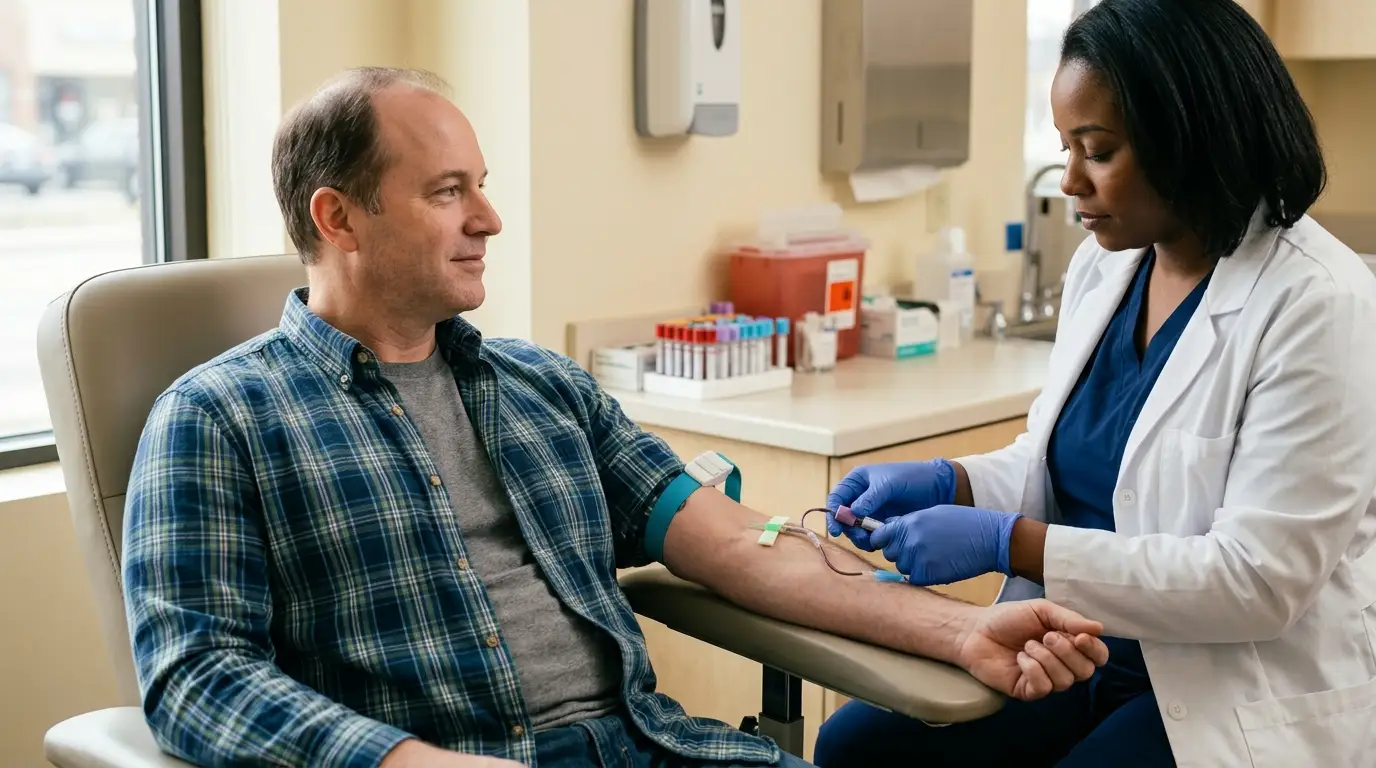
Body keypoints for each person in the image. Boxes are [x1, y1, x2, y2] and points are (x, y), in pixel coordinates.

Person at [122, 67, 1111, 768]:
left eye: (483, 187)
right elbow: (193, 678)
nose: (489, 220)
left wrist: (956, 631)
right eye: (446, 192)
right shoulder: (220, 420)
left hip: (649, 744)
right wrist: (409, 764)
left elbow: (741, 544)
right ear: (337, 219)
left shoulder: (541, 391)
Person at [812, 1, 1376, 766]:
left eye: (1098, 150)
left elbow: (1257, 581)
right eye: (1064, 147)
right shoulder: (1107, 264)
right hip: (1083, 647)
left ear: (1193, 138)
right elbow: (1067, 463)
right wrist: (956, 483)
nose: (1070, 179)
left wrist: (1008, 543)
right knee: (859, 747)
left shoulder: (1320, 302)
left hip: (1230, 689)